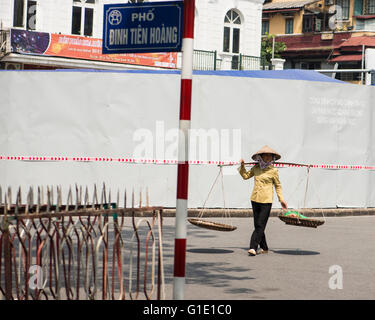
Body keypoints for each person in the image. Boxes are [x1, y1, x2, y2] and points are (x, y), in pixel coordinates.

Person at [239, 145, 287, 256]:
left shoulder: (273, 170)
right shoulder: (256, 168)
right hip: (255, 199)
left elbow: (278, 186)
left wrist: (281, 199)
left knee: (260, 225)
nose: (267, 158)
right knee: (258, 225)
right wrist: (242, 166)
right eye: (265, 155)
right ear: (260, 157)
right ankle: (264, 247)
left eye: (270, 156)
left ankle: (253, 247)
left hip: (266, 200)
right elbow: (245, 176)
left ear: (272, 158)